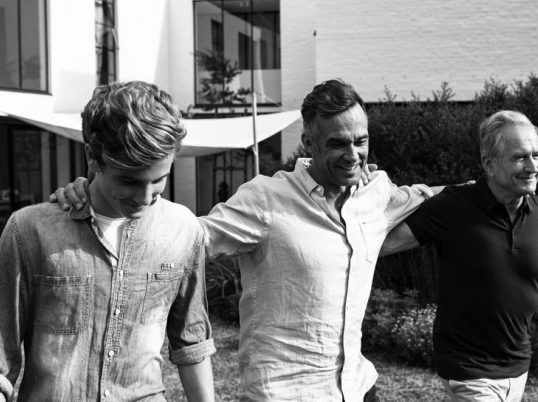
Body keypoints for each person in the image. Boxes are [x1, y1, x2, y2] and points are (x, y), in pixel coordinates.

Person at [52, 79, 438, 401]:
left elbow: (441, 199)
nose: (353, 154)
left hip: (358, 387)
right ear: (309, 143)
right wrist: (96, 193)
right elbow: (186, 238)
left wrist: (477, 188)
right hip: (286, 393)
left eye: (360, 141)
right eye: (338, 143)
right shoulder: (266, 199)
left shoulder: (376, 193)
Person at [0, 81, 216, 401]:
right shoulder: (30, 231)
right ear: (92, 156)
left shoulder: (183, 229)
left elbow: (192, 344)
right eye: (129, 180)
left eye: (159, 179)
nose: (145, 197)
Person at [382, 110, 538, 401]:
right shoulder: (453, 207)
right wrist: (426, 192)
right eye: (520, 157)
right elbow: (384, 244)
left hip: (518, 367)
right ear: (489, 164)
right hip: (467, 368)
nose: (532, 166)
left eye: (536, 155)